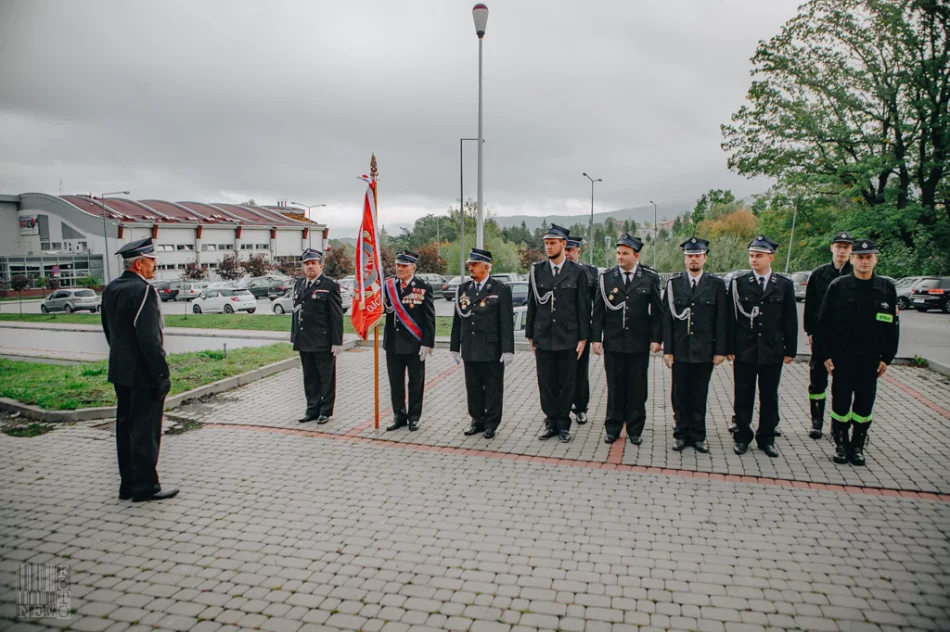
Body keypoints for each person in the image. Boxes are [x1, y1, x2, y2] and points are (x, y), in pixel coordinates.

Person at [100, 237, 178, 502]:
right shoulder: (144, 291)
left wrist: (123, 359)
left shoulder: (111, 289)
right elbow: (150, 340)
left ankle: (128, 485)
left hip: (121, 371)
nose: (155, 265)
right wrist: (161, 375)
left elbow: (109, 331)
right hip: (143, 374)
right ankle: (145, 487)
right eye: (151, 260)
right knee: (145, 431)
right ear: (139, 263)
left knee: (125, 428)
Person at [813, 239, 898, 466]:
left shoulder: (886, 288)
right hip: (842, 357)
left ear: (875, 259)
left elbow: (892, 326)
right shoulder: (838, 287)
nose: (864, 262)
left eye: (868, 257)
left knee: (864, 404)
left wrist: (887, 358)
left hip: (870, 358)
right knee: (840, 402)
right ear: (852, 259)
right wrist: (825, 355)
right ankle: (840, 443)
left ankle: (858, 444)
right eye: (860, 257)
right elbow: (823, 324)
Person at [727, 235, 798, 458]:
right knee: (743, 395)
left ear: (770, 258)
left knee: (769, 396)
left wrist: (790, 349)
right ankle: (742, 437)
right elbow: (731, 318)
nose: (753, 260)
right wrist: (729, 346)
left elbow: (790, 319)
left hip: (771, 349)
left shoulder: (784, 285)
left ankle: (766, 439)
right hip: (745, 349)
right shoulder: (739, 283)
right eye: (751, 255)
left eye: (758, 256)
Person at [590, 234, 661, 445]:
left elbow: (657, 311)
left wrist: (657, 338)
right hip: (614, 342)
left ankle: (635, 428)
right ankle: (613, 427)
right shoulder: (606, 278)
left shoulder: (649, 277)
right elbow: (598, 311)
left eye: (625, 253)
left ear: (636, 255)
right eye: (618, 253)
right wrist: (596, 338)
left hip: (638, 342)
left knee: (637, 388)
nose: (620, 257)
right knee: (615, 386)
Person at [662, 237, 728, 453]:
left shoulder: (716, 285)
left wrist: (720, 351)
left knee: (699, 395)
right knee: (679, 395)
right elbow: (667, 320)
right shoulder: (673, 284)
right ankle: (681, 434)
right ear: (684, 259)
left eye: (697, 256)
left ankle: (698, 436)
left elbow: (721, 319)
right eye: (689, 256)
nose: (693, 260)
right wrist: (668, 350)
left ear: (705, 258)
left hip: (704, 350)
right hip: (680, 349)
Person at [526, 224, 590, 443]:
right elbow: (532, 304)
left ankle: (563, 424)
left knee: (566, 383)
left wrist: (583, 337)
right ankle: (550, 421)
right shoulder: (537, 271)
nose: (549, 247)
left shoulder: (578, 272)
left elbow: (583, 307)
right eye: (546, 243)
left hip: (568, 337)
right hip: (544, 335)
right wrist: (530, 335)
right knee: (546, 382)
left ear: (564, 244)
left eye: (553, 243)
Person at [450, 248, 515, 439]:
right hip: (470, 346)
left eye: (475, 264)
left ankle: (491, 423)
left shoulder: (500, 289)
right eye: (470, 264)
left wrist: (507, 349)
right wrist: (455, 346)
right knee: (473, 387)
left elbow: (506, 322)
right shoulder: (463, 289)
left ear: (486, 267)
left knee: (493, 388)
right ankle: (476, 420)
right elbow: (457, 320)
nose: (471, 268)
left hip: (491, 348)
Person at [802, 231, 854, 439]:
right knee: (817, 380)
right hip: (822, 336)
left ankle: (837, 424)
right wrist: (810, 333)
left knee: (842, 384)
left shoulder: (854, 275)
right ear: (831, 248)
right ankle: (816, 422)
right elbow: (810, 306)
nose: (842, 251)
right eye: (838, 246)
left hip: (845, 339)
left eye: (846, 247)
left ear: (851, 251)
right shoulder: (819, 274)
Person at [383, 250, 436, 431]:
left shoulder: (422, 288)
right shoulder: (388, 286)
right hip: (393, 343)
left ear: (413, 267)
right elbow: (381, 309)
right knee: (395, 383)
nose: (400, 269)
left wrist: (427, 343)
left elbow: (429, 319)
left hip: (414, 345)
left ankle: (414, 417)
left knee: (415, 382)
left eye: (404, 266)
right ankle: (399, 416)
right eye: (398, 265)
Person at [292, 248, 344, 424]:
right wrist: (295, 336)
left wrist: (337, 341)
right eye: (307, 264)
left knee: (325, 378)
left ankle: (325, 411)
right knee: (310, 377)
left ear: (320, 265)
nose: (310, 267)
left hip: (323, 340)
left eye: (313, 263)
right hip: (305, 339)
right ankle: (312, 409)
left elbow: (336, 316)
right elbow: (296, 312)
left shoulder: (330, 286)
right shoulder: (299, 284)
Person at [564, 234, 600, 426]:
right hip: (560, 331)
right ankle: (560, 410)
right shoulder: (557, 271)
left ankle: (580, 408)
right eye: (566, 250)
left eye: (571, 250)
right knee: (559, 373)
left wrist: (594, 335)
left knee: (579, 372)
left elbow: (597, 306)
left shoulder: (590, 272)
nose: (568, 253)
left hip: (580, 332)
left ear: (579, 251)